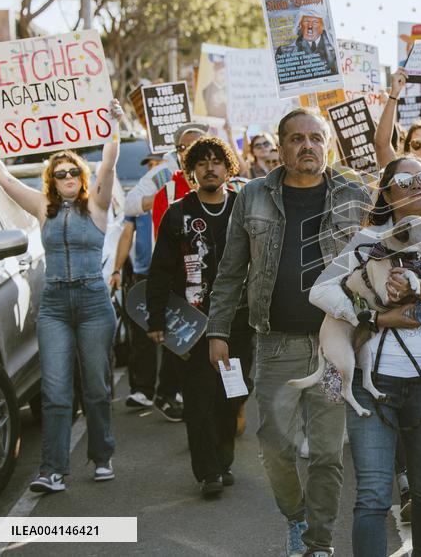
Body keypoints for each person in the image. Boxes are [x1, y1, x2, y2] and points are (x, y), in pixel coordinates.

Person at [206, 108, 370, 557]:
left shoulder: (354, 196)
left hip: (334, 347)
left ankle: (319, 541)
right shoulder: (254, 196)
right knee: (275, 447)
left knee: (326, 453)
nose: (307, 146)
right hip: (275, 344)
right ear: (280, 147)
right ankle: (296, 517)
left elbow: (378, 261)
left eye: (316, 138)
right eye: (296, 139)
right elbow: (230, 271)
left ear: (328, 145)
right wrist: (217, 329)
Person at [311, 157, 421, 557]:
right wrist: (375, 316)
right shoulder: (366, 242)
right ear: (386, 193)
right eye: (405, 180)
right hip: (375, 386)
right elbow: (320, 291)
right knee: (371, 494)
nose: (418, 186)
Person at [0, 100, 125, 493]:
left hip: (94, 303)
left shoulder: (96, 205)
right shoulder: (43, 208)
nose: (66, 177)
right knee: (55, 391)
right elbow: (4, 180)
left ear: (81, 177)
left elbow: (109, 164)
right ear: (52, 178)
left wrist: (113, 124)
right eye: (59, 173)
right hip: (55, 307)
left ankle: (102, 456)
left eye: (72, 172)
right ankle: (53, 469)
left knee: (96, 386)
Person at [146, 137, 253, 498]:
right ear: (191, 171)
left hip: (238, 322)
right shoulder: (177, 213)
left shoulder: (242, 208)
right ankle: (208, 472)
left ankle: (223, 462)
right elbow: (159, 271)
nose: (210, 168)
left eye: (216, 161)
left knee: (232, 395)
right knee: (198, 399)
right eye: (202, 162)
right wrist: (157, 319)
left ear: (228, 168)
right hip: (191, 324)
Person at [110, 154, 184, 418]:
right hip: (144, 272)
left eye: (158, 165)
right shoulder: (140, 204)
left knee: (173, 332)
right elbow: (126, 235)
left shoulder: (179, 198)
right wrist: (118, 269)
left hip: (173, 274)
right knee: (142, 332)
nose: (153, 170)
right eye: (150, 166)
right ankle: (142, 389)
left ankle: (170, 390)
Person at [124, 123, 208, 218]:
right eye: (183, 147)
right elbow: (128, 205)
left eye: (195, 145)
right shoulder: (162, 173)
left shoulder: (217, 171)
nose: (189, 151)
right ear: (178, 150)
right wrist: (166, 197)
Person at [274, 11, 338, 77]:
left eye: (315, 22)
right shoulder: (284, 52)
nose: (310, 26)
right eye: (306, 21)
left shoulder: (335, 50)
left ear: (322, 26)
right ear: (299, 25)